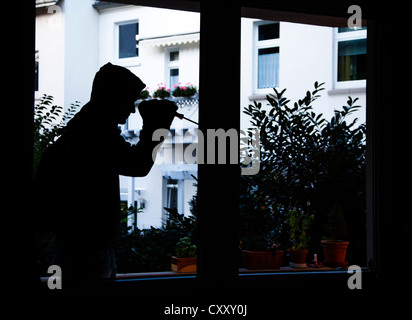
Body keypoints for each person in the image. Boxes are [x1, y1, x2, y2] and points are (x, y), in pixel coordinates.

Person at [33, 63, 178, 281]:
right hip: (85, 251)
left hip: (78, 248)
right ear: (113, 98)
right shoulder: (94, 133)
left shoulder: (84, 128)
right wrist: (155, 126)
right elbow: (138, 165)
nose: (131, 109)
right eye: (129, 100)